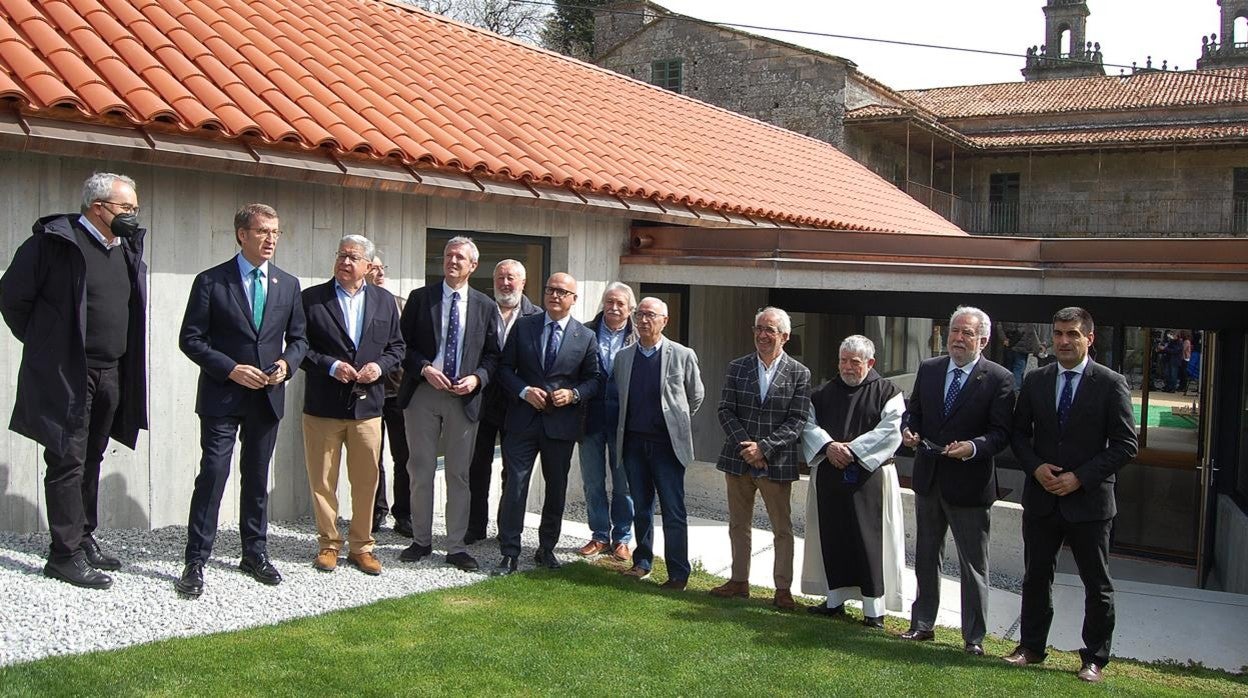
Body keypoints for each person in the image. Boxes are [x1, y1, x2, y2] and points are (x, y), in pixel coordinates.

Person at [0, 172, 148, 590]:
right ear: (98, 208)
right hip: (69, 372)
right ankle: (62, 556)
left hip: (112, 371)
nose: (133, 216)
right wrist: (48, 344)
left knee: (93, 456)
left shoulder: (126, 248)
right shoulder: (52, 244)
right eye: (126, 208)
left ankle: (83, 538)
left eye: (135, 208)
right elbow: (12, 299)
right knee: (66, 460)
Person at [176, 203, 308, 597]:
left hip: (267, 397)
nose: (271, 239)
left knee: (256, 477)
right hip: (222, 395)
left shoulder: (288, 284)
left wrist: (287, 363)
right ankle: (196, 559)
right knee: (214, 474)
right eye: (263, 231)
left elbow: (299, 338)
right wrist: (230, 368)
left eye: (276, 232)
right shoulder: (211, 282)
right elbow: (191, 339)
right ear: (241, 234)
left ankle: (254, 552)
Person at [1006, 307, 1137, 684]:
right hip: (1043, 497)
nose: (1064, 341)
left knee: (1097, 584)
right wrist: (1035, 467)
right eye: (1059, 333)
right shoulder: (1036, 380)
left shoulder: (1111, 383)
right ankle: (1031, 648)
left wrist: (1080, 477)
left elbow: (1127, 445)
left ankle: (1094, 658)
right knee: (1035, 577)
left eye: (1073, 334)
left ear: (1089, 338)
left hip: (1090, 502)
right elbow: (1018, 435)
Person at [900, 306, 1014, 656]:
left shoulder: (998, 378)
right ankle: (922, 625)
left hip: (969, 485)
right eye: (954, 332)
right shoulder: (930, 369)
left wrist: (973, 448)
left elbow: (1002, 433)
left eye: (967, 333)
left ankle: (974, 638)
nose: (959, 339)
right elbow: (913, 411)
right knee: (925, 557)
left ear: (984, 339)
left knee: (972, 565)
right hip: (930, 478)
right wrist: (908, 430)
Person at [300, 236, 404, 575]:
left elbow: (397, 348)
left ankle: (362, 546)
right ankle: (328, 544)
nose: (345, 261)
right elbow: (299, 348)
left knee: (366, 482)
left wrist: (380, 367)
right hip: (323, 407)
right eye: (341, 254)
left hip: (368, 408)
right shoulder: (311, 299)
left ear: (369, 266)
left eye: (353, 257)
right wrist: (330, 366)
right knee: (323, 481)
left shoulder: (385, 300)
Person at [396, 237, 500, 572]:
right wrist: (425, 369)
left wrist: (478, 379)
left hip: (464, 397)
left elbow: (493, 355)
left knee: (458, 473)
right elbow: (402, 347)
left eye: (460, 257)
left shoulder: (485, 306)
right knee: (421, 469)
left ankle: (455, 546)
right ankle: (421, 541)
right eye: (448, 255)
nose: (452, 261)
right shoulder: (420, 299)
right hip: (423, 393)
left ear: (473, 266)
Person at [492, 272, 601, 575]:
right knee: (515, 485)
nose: (554, 295)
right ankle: (510, 553)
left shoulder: (585, 336)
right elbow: (504, 369)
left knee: (556, 488)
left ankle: (546, 549)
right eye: (550, 289)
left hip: (560, 425)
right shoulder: (524, 327)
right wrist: (524, 391)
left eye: (562, 292)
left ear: (573, 299)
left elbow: (594, 380)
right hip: (523, 421)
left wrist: (575, 394)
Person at [799, 335, 905, 628]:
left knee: (869, 542)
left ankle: (873, 610)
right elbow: (807, 425)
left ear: (870, 363)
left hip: (871, 478)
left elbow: (891, 430)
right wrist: (829, 446)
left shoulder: (888, 392)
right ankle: (834, 600)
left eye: (854, 362)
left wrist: (852, 450)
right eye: (843, 361)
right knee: (833, 537)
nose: (847, 367)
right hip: (830, 476)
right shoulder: (821, 394)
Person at [710, 307, 810, 610]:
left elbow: (798, 420)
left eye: (770, 330)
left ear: (785, 336)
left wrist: (764, 448)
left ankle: (782, 588)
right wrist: (747, 448)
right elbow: (725, 410)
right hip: (738, 459)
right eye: (759, 329)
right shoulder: (737, 367)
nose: (763, 335)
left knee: (782, 529)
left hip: (776, 463)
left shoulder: (799, 373)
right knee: (738, 524)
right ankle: (739, 581)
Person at [615, 298, 704, 589]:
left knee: (673, 510)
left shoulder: (682, 354)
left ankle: (678, 573)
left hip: (667, 446)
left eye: (650, 315)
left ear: (665, 320)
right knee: (641, 507)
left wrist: (675, 424)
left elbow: (696, 395)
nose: (643, 320)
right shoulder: (624, 357)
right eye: (639, 314)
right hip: (633, 445)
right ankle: (642, 562)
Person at [466, 259, 541, 545]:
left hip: (518, 406)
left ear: (523, 283)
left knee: (513, 472)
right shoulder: (480, 310)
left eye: (511, 278)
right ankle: (474, 527)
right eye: (500, 277)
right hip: (481, 402)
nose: (505, 283)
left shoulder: (536, 317)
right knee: (477, 468)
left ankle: (507, 529)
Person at [576, 282, 638, 561]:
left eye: (620, 304)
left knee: (624, 483)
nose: (613, 308)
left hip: (625, 422)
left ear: (630, 309)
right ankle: (599, 535)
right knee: (592, 480)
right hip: (589, 417)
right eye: (609, 302)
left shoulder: (639, 336)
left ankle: (623, 537)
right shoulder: (584, 332)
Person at [365, 255, 412, 537]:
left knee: (404, 456)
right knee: (371, 457)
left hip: (399, 393)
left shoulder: (402, 305)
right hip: (368, 393)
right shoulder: (359, 305)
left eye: (383, 267)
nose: (379, 272)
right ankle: (375, 510)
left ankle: (404, 514)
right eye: (374, 267)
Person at [997, 321, 1044, 388]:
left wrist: (1004, 340)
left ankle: (1006, 389)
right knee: (1018, 371)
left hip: (1009, 346)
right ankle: (1015, 392)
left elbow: (999, 326)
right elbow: (1021, 330)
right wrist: (1011, 342)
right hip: (1021, 347)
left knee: (1009, 369)